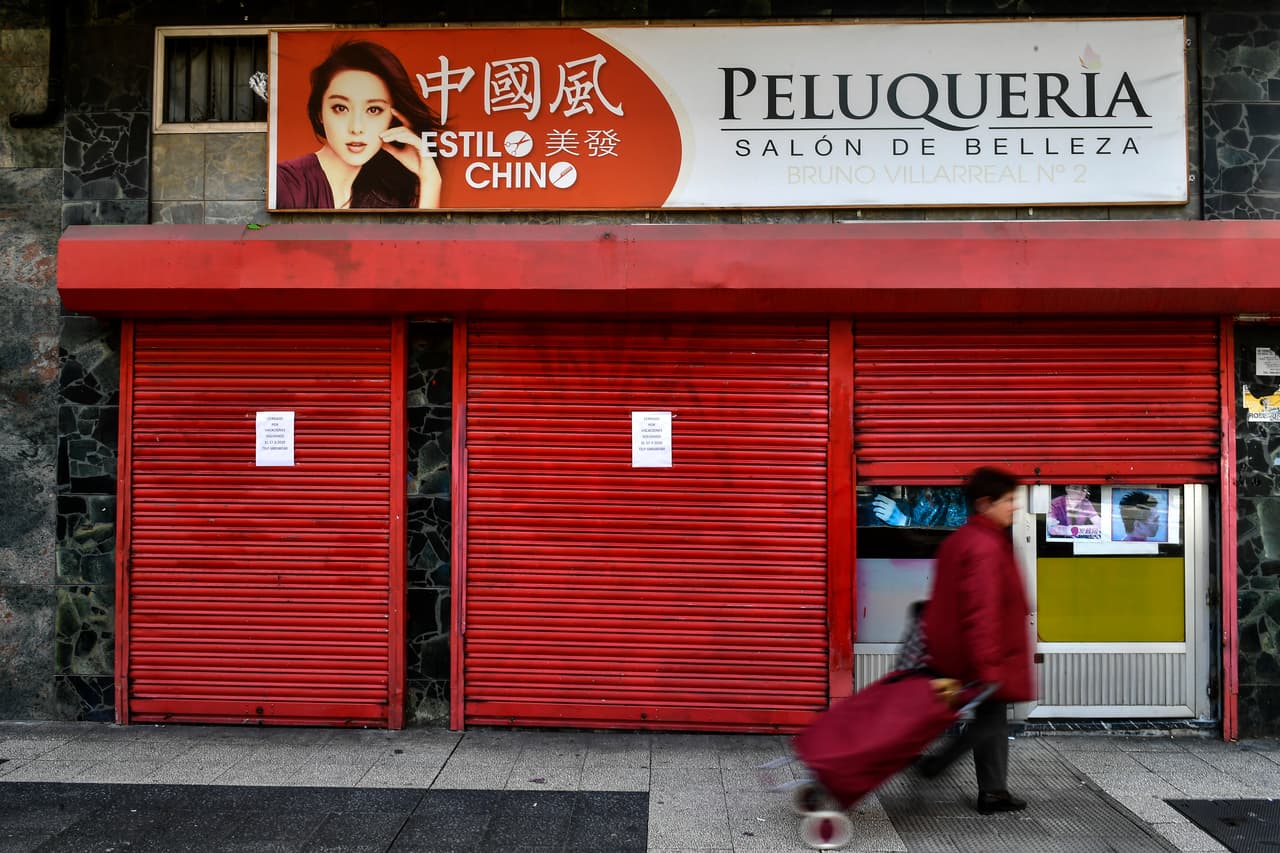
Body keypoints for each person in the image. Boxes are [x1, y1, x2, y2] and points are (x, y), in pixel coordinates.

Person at [919, 466, 1035, 814]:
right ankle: (940, 763)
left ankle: (994, 790)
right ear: (984, 503)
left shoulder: (961, 540)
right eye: (1009, 500)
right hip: (982, 654)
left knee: (991, 716)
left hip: (961, 651)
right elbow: (981, 610)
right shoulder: (985, 546)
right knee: (988, 718)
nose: (1014, 507)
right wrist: (988, 664)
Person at [276, 40, 442, 209]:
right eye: (340, 108)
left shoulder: (381, 196)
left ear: (392, 119)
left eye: (373, 110)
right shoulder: (284, 184)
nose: (356, 128)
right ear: (320, 113)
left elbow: (425, 236)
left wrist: (430, 179)